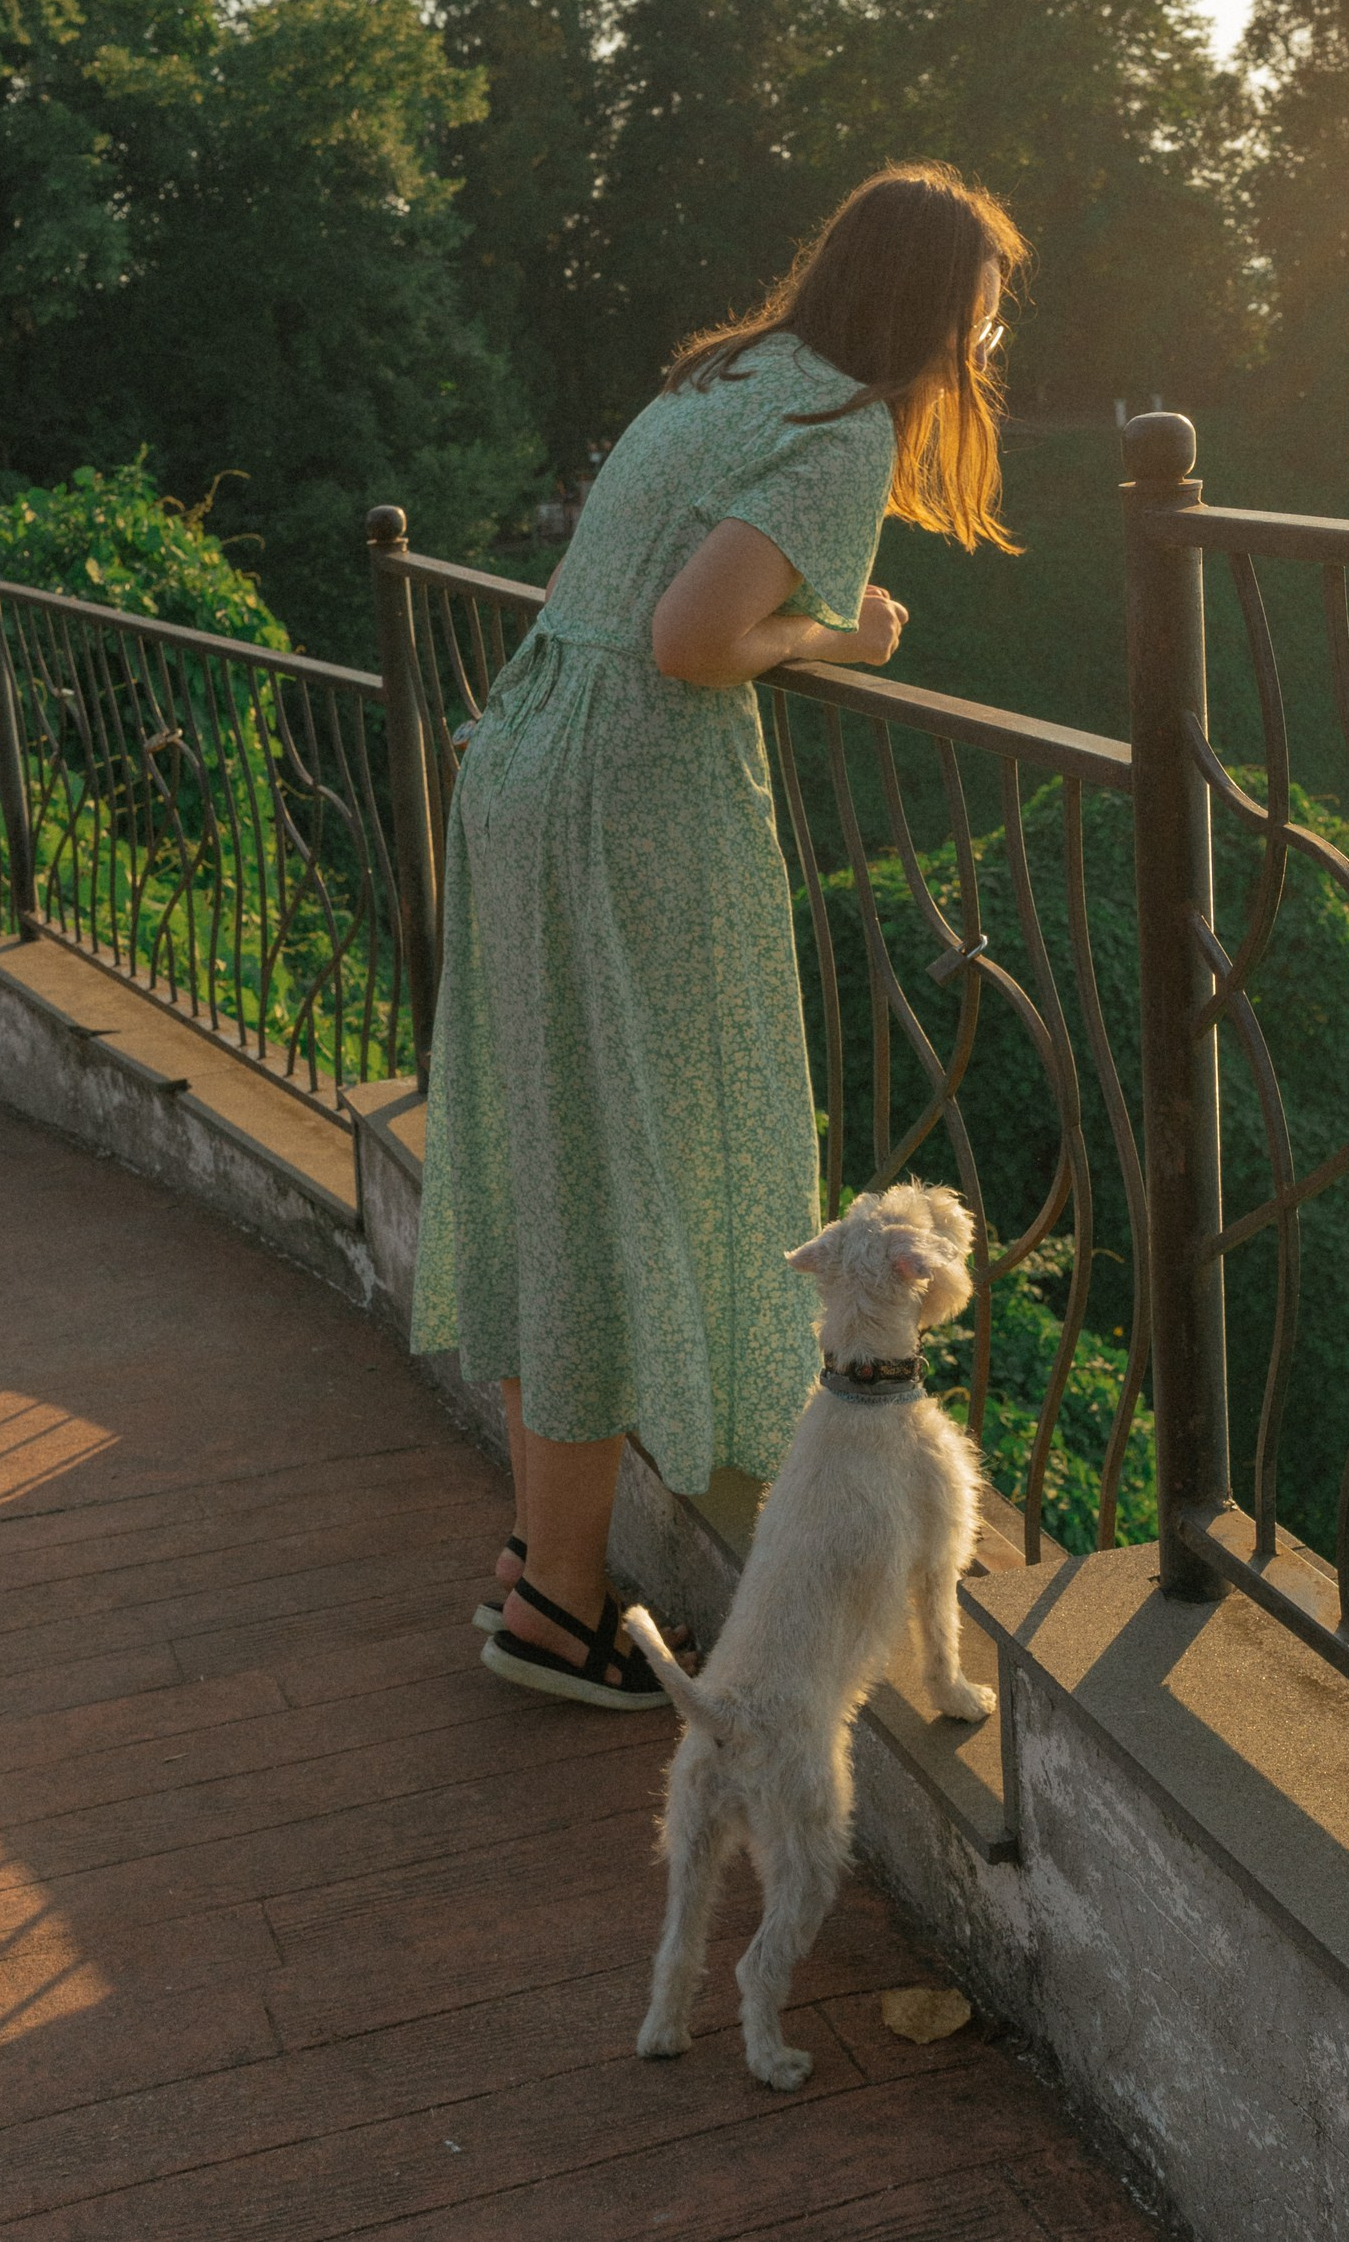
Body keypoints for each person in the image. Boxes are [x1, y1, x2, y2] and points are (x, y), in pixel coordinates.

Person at [411, 161, 1027, 1708]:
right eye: (981, 321)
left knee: (559, 1161)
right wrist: (842, 636)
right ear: (930, 313)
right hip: (626, 806)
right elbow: (694, 642)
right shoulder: (845, 428)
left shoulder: (728, 376)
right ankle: (557, 1608)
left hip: (529, 762)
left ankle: (539, 1559)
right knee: (624, 1175)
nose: (985, 352)